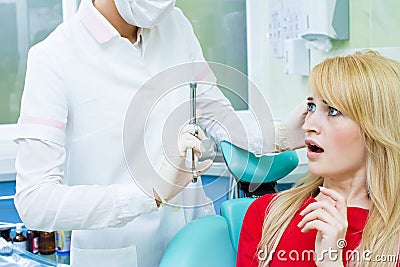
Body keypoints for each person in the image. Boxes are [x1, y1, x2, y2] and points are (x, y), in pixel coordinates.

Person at [14, 0, 304, 266]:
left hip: (198, 245)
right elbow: (35, 200)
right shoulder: (53, 58)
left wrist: (279, 136)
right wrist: (149, 191)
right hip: (121, 254)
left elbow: (217, 116)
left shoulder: (176, 26)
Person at [237, 50, 400, 267]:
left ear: (376, 130)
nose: (307, 125)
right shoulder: (268, 215)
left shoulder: (393, 237)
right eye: (311, 107)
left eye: (332, 111)